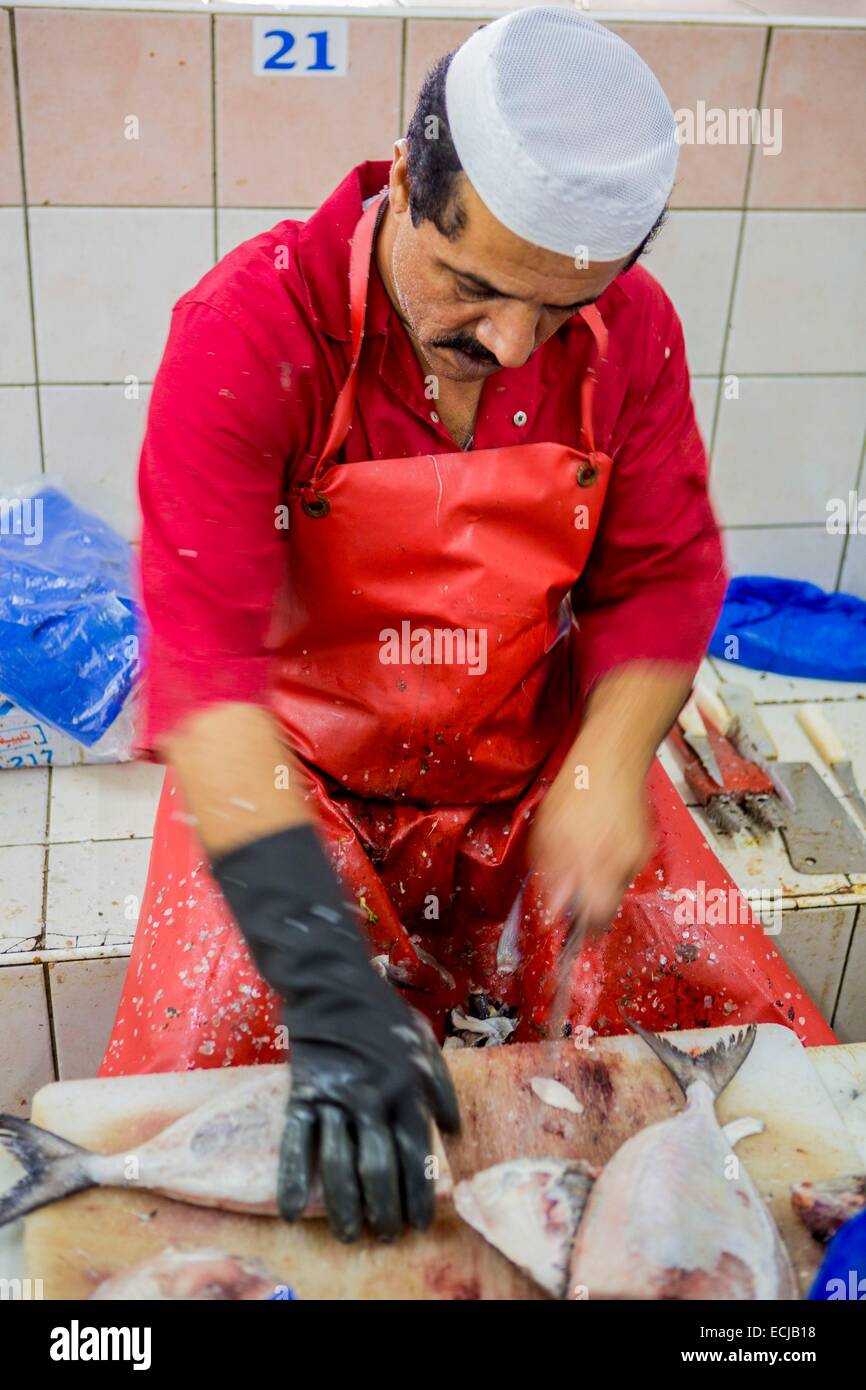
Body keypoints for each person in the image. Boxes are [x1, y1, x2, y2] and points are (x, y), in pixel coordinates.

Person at [102, 9, 729, 1241]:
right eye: (475, 287)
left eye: (556, 314)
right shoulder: (250, 329)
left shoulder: (635, 331)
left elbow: (659, 576)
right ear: (403, 181)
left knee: (687, 1088)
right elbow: (207, 674)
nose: (508, 347)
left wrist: (607, 765)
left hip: (527, 781)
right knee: (204, 1145)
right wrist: (324, 979)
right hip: (294, 791)